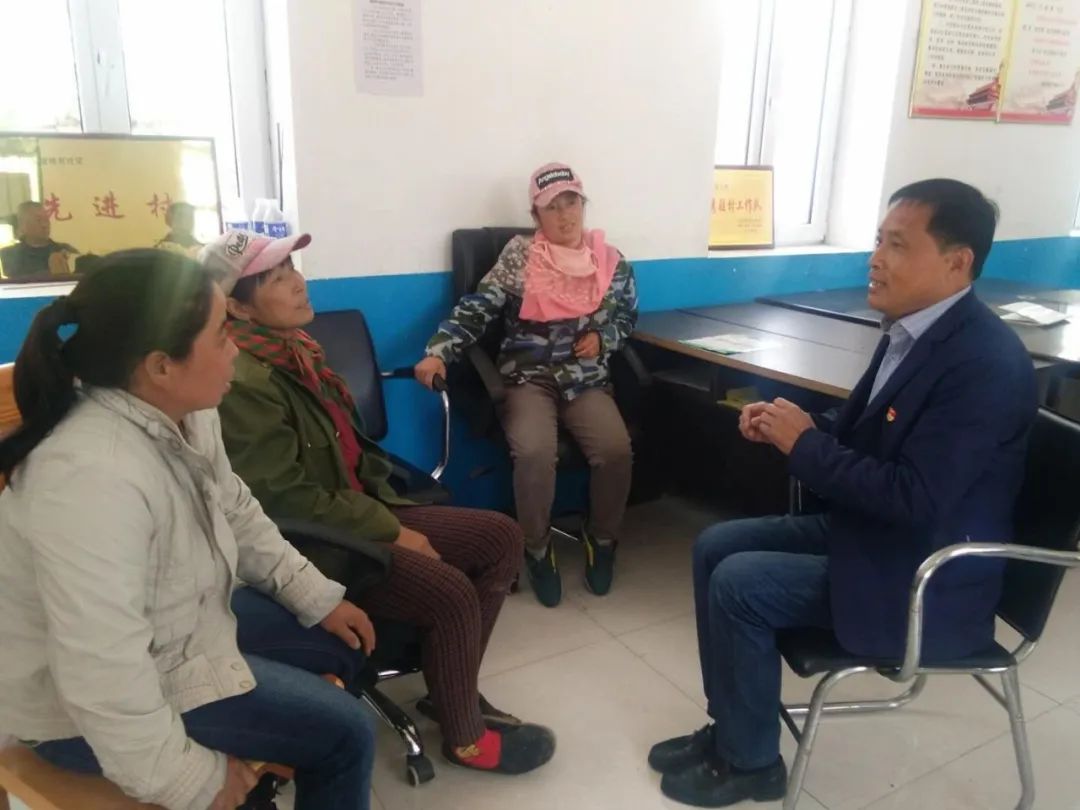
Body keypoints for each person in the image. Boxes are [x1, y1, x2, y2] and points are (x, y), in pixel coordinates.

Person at [649, 179, 1038, 807]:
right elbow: (867, 437)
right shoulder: (912, 333)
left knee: (740, 583)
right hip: (880, 538)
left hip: (930, 578)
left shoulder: (985, 365)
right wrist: (797, 427)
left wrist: (806, 446)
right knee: (715, 545)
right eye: (878, 241)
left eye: (897, 245)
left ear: (957, 262)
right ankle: (733, 727)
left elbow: (915, 497)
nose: (875, 259)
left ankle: (751, 764)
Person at [0, 250, 379, 810]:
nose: (236, 348)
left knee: (339, 645)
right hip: (73, 713)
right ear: (160, 366)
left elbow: (235, 507)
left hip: (174, 632)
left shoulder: (186, 411)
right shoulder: (89, 475)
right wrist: (188, 778)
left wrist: (314, 595)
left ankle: (253, 778)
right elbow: (100, 667)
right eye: (222, 334)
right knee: (348, 732)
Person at [204, 230, 556, 776]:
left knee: (499, 537)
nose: (297, 283)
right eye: (277, 279)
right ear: (237, 307)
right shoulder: (245, 379)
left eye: (293, 269)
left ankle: (451, 689)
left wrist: (392, 511)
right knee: (450, 592)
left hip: (357, 506)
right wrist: (393, 531)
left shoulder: (298, 350)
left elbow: (351, 448)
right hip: (313, 541)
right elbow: (283, 500)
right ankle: (465, 739)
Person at [414, 163, 638, 607]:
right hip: (527, 379)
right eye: (552, 207)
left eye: (571, 203)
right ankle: (536, 547)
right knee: (535, 453)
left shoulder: (611, 262)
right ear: (536, 216)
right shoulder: (520, 256)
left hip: (585, 381)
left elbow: (627, 318)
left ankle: (602, 539)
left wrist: (604, 338)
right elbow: (477, 308)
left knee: (616, 450)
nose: (565, 215)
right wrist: (439, 349)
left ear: (583, 205)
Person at [0, 200, 78, 280]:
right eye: (38, 220)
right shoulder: (8, 254)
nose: (44, 225)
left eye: (46, 220)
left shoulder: (64, 250)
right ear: (22, 225)